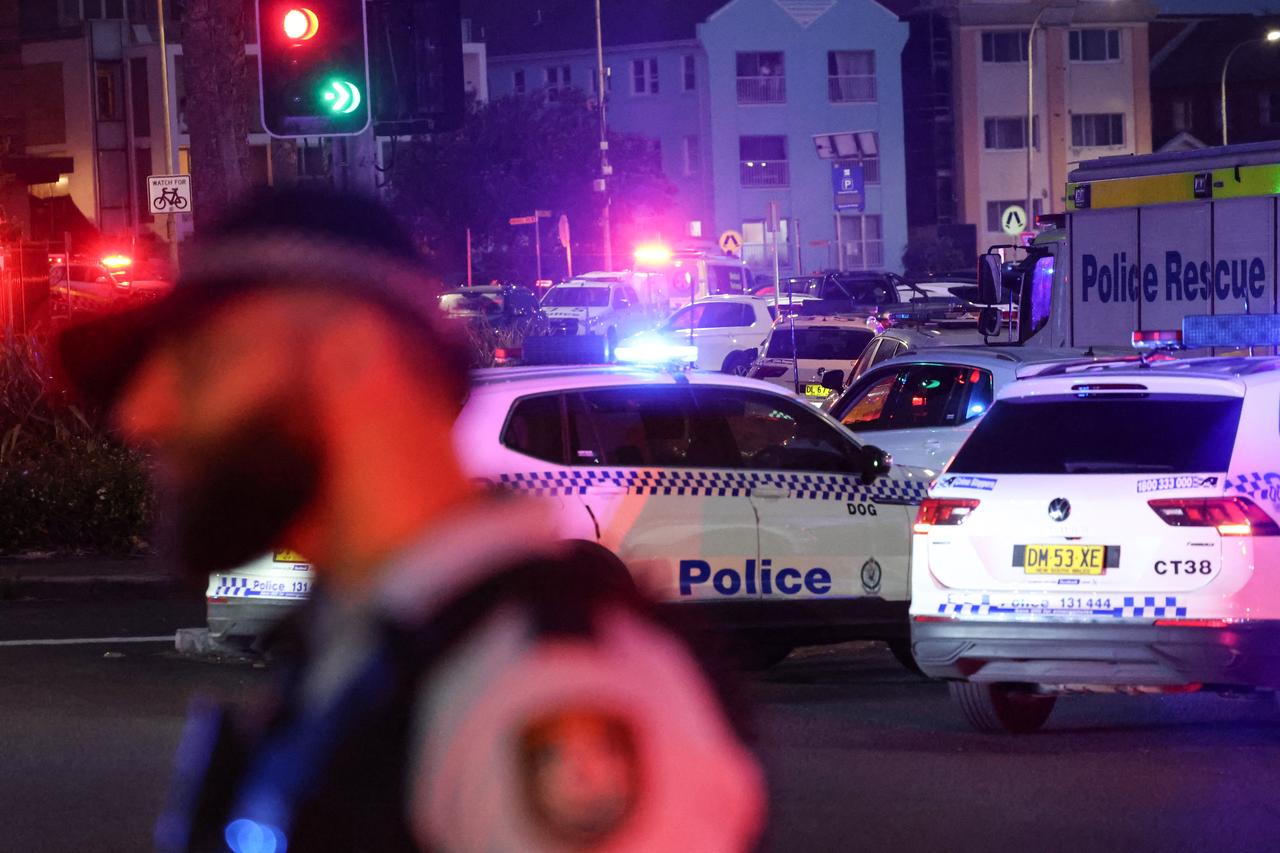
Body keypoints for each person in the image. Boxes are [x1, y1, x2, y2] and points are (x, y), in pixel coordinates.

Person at [56, 186, 764, 852]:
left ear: (352, 356)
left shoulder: (542, 691)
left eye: (203, 364)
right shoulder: (369, 655)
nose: (140, 414)